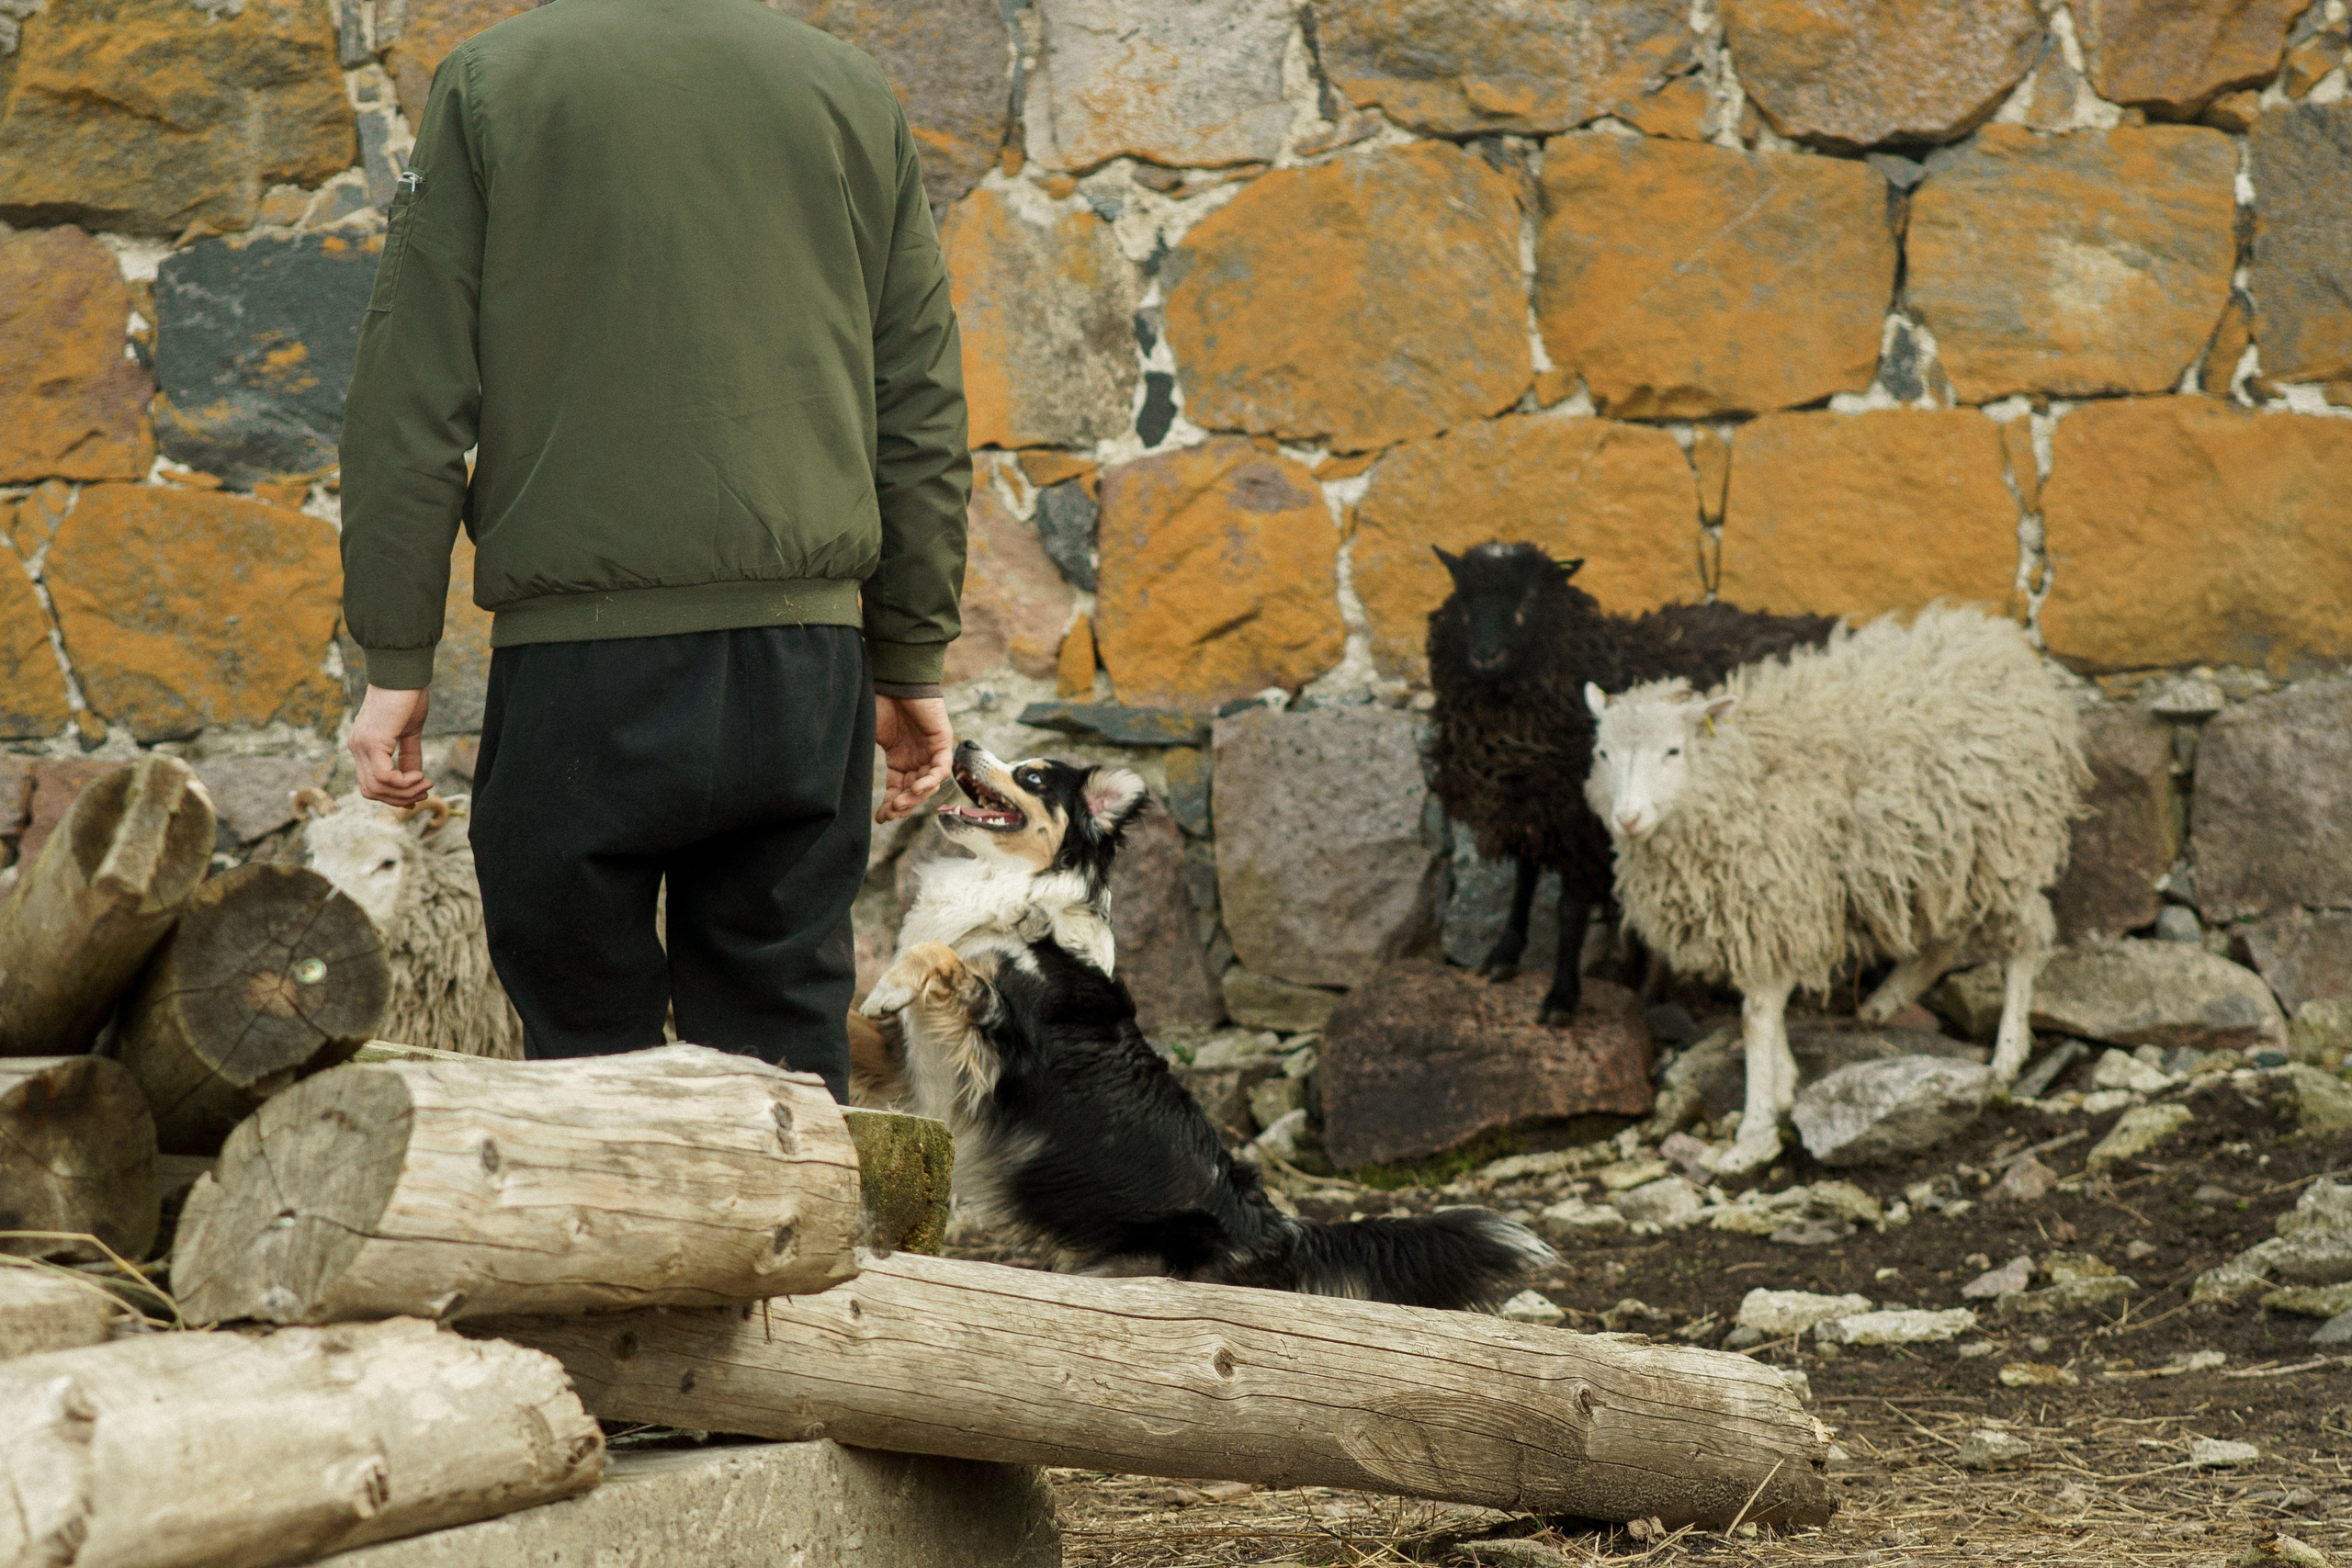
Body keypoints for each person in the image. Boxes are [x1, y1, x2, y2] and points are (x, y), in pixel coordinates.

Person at [336, 0, 968, 1102]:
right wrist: (910, 654)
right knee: (781, 1049)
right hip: (802, 669)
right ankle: (790, 1272)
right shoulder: (845, 90)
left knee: (588, 1058)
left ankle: (610, 1271)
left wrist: (398, 662)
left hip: (582, 673)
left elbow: (411, 394)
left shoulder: (493, 84)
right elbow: (915, 396)